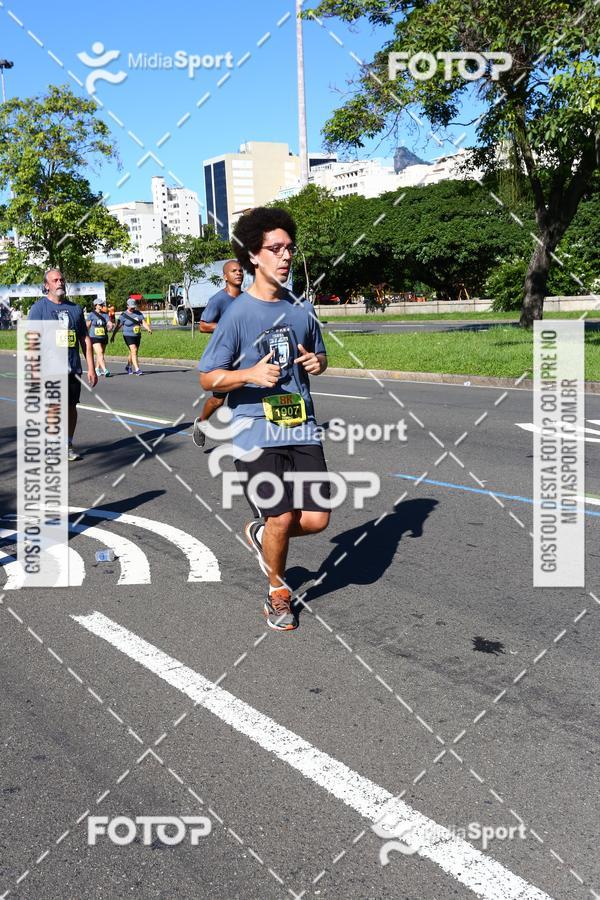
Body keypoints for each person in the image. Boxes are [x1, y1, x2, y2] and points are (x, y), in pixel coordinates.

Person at [199, 207, 330, 632]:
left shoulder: (300, 308)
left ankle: (261, 535)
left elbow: (321, 355)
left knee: (314, 519)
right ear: (254, 256)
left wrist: (316, 362)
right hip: (255, 429)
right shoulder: (237, 314)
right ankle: (278, 593)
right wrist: (250, 375)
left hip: (301, 423)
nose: (285, 256)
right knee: (281, 515)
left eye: (289, 248)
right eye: (275, 249)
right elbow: (208, 377)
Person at [28, 268, 97, 461]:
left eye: (61, 279)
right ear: (46, 285)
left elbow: (85, 339)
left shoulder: (75, 309)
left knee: (71, 407)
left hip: (72, 368)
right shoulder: (39, 308)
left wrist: (91, 367)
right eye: (55, 280)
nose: (60, 282)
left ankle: (67, 443)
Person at [192, 259, 244, 447]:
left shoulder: (247, 298)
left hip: (245, 357)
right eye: (233, 271)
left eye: (240, 270)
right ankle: (202, 423)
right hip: (224, 358)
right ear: (225, 276)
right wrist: (227, 327)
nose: (238, 273)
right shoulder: (219, 299)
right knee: (217, 401)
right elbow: (204, 326)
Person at [111, 297, 152, 374]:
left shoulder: (138, 313)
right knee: (134, 350)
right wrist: (113, 335)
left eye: (134, 307)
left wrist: (148, 329)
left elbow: (143, 322)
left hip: (137, 335)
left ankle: (128, 366)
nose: (133, 308)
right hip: (128, 335)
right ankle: (137, 369)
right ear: (127, 306)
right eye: (131, 307)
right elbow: (118, 326)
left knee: (133, 352)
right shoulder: (123, 315)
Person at [86, 299, 112, 377]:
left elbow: (109, 322)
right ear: (95, 305)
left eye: (102, 304)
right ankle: (105, 370)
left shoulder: (105, 315)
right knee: (100, 352)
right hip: (94, 337)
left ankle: (97, 368)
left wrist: (110, 325)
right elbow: (87, 326)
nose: (101, 306)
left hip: (103, 336)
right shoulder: (91, 314)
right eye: (100, 304)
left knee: (100, 354)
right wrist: (85, 336)